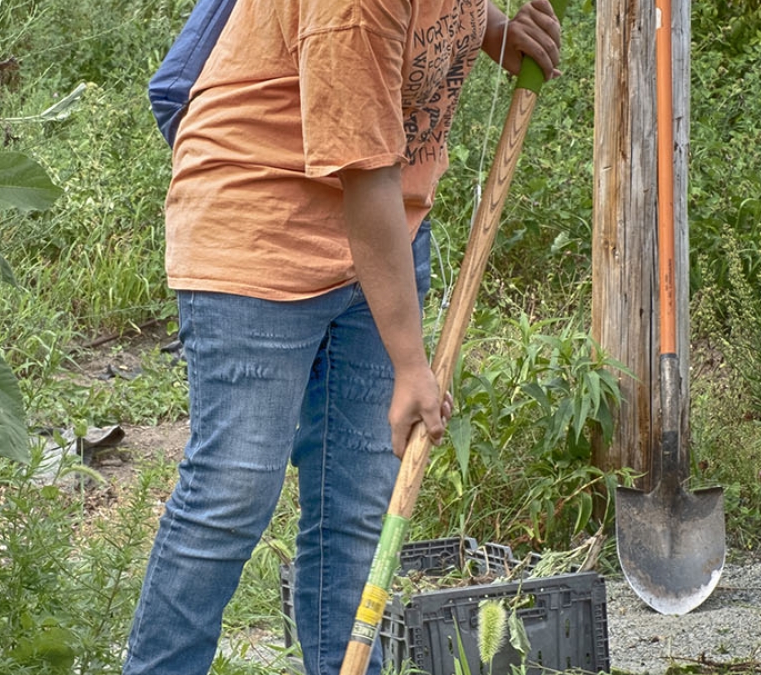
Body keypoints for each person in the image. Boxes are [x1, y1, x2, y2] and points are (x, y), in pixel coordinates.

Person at [123, 1, 563, 674]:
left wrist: (493, 31)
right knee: (232, 495)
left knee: (358, 505)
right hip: (258, 228)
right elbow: (366, 175)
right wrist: (411, 366)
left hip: (383, 240)